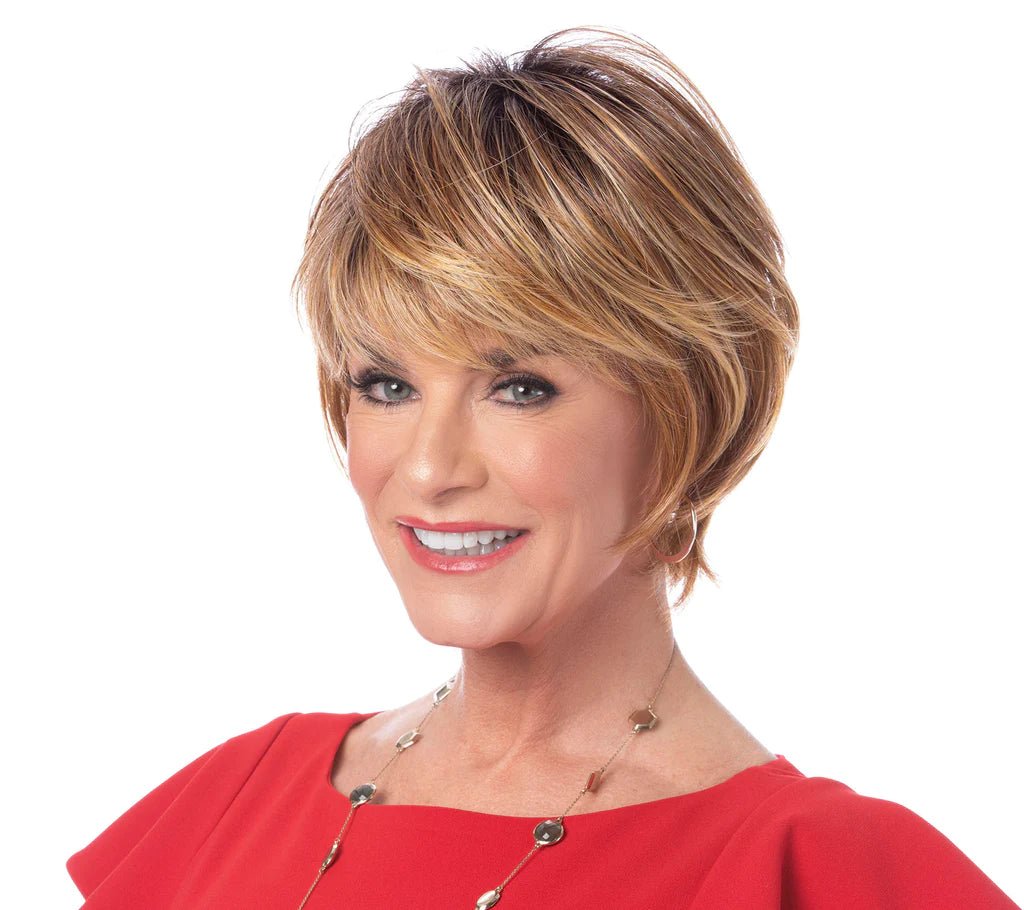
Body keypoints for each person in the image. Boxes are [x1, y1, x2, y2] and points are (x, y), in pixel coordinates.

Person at [65, 26, 1019, 910]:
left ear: (685, 407)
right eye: (387, 385)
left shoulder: (810, 869)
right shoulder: (238, 798)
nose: (428, 468)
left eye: (519, 387)